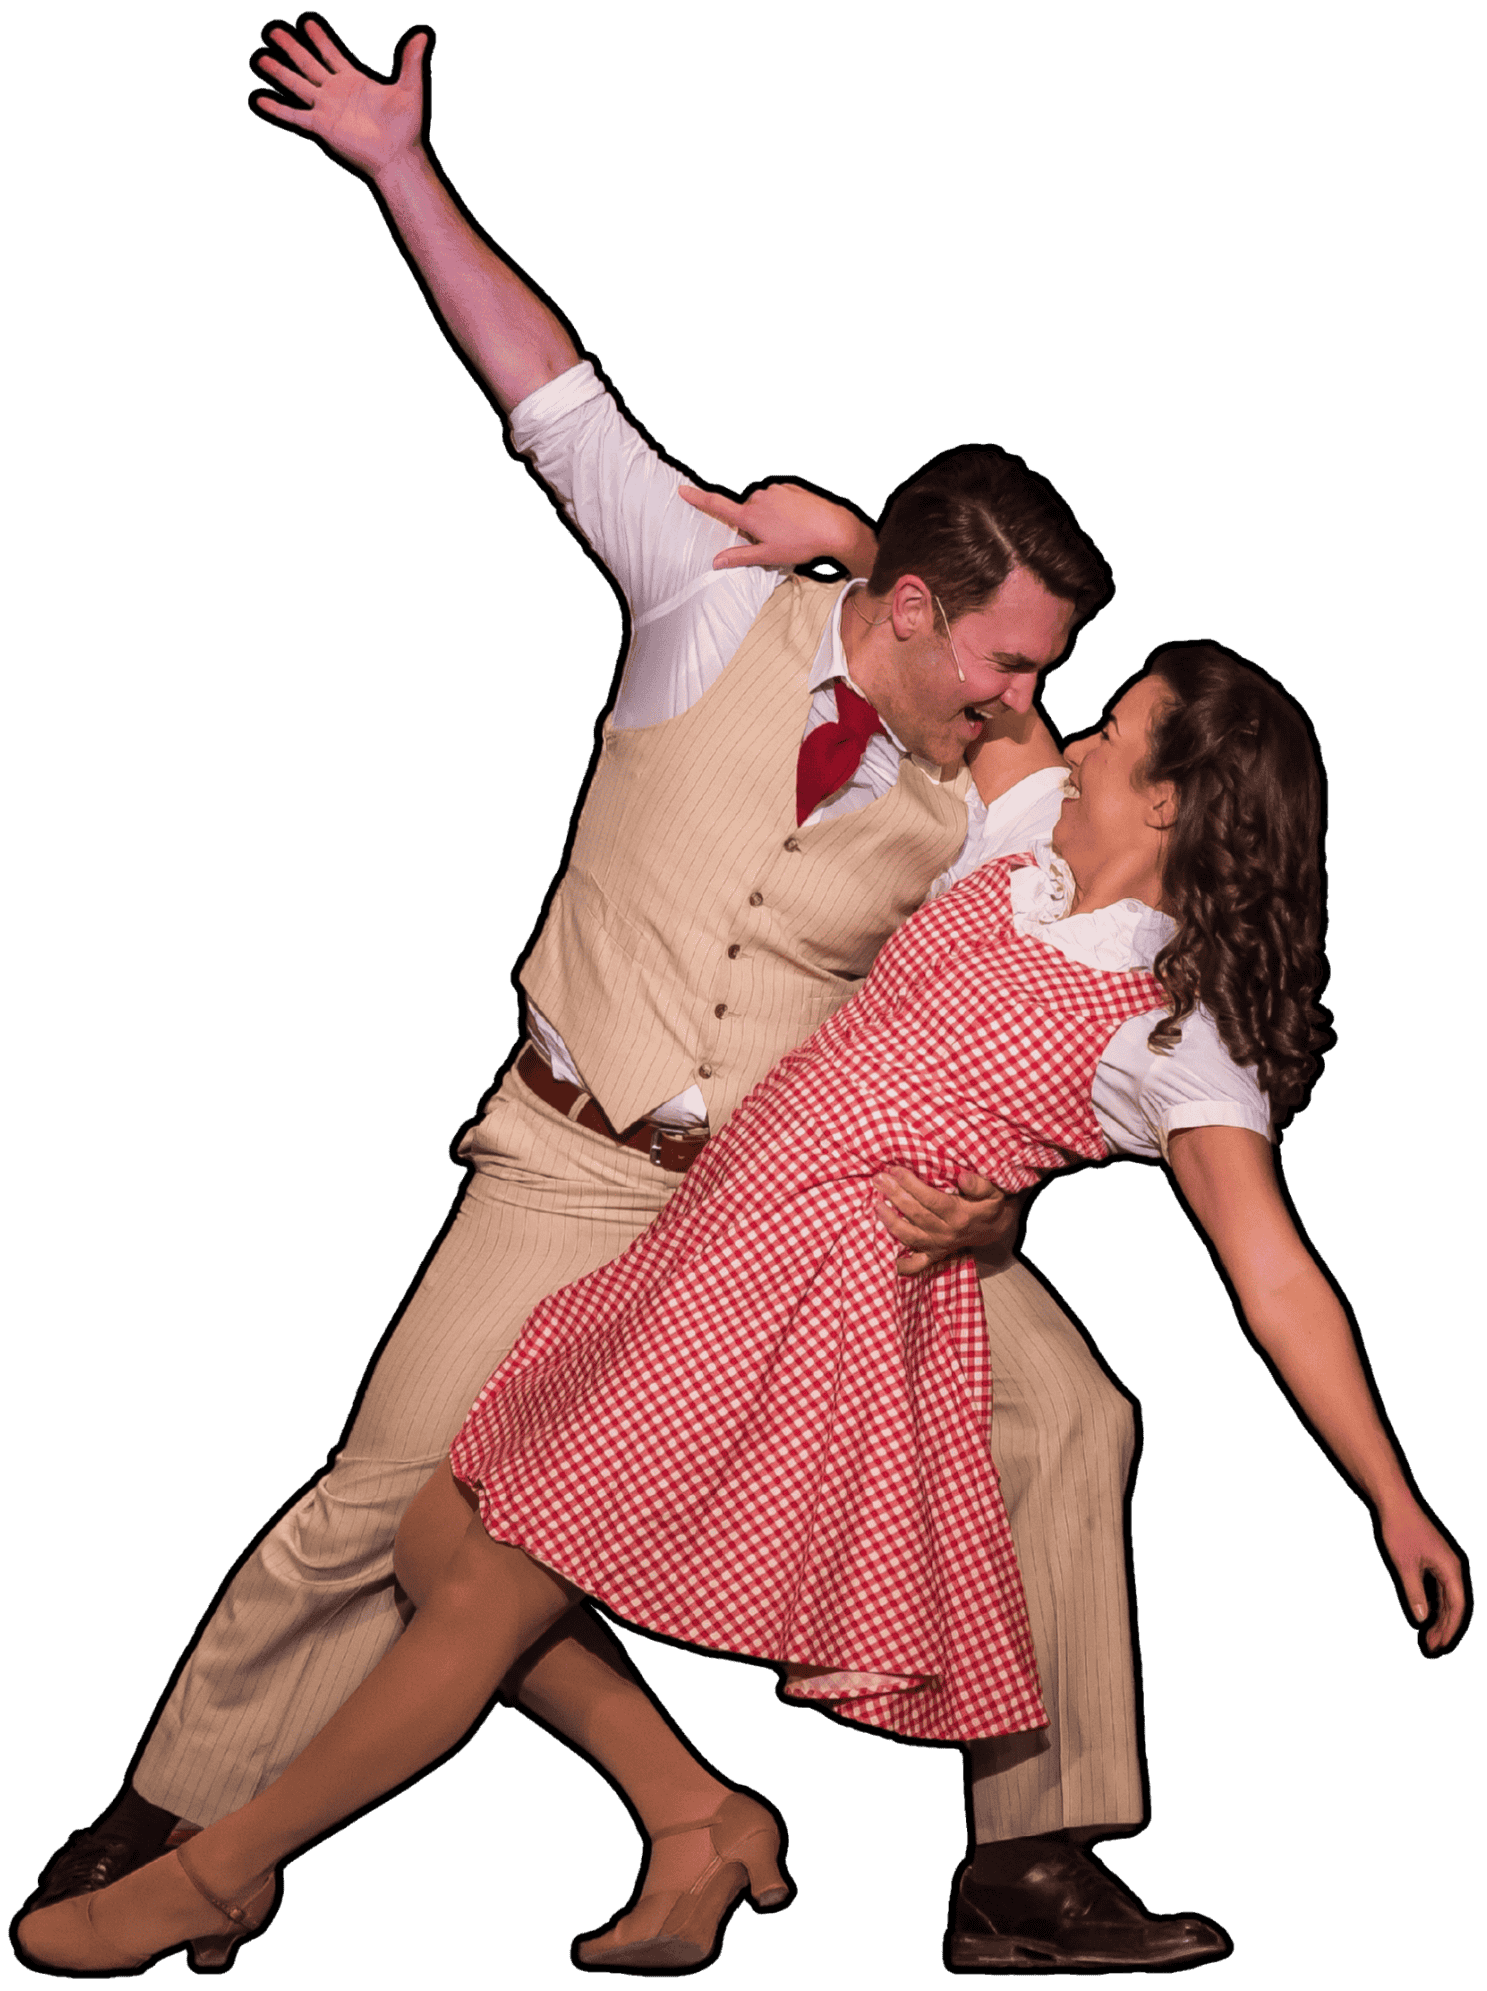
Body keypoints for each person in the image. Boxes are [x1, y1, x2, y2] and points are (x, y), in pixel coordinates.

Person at [20, 644, 1463, 1973]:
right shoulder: (1026, 844)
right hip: (707, 1233)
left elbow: (1273, 1274)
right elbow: (971, 644)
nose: (1076, 731)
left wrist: (1387, 1489)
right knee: (434, 1527)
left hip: (797, 1299)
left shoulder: (1169, 1025)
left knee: (490, 1580)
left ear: (1167, 798)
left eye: (1118, 727)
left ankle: (209, 1876)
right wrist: (840, 540)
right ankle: (697, 1812)